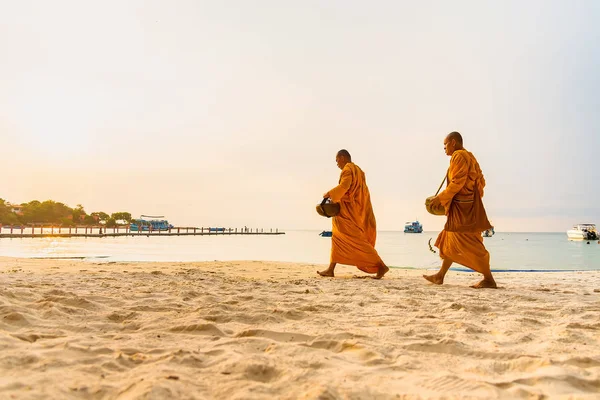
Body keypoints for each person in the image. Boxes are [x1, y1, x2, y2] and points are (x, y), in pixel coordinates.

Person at [424, 132, 497, 288]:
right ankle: (440, 276)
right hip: (467, 207)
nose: (444, 148)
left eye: (445, 145)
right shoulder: (470, 156)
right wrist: (471, 198)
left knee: (471, 243)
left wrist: (440, 199)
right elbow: (481, 182)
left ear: (453, 142)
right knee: (449, 239)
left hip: (462, 209)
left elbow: (457, 182)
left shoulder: (459, 156)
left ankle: (489, 279)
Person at [317, 150, 389, 279]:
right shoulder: (358, 170)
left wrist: (329, 194)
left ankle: (381, 265)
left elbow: (345, 186)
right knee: (337, 238)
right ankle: (330, 269)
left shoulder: (348, 169)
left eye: (337, 160)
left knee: (358, 241)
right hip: (352, 210)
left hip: (349, 212)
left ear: (343, 157)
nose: (337, 163)